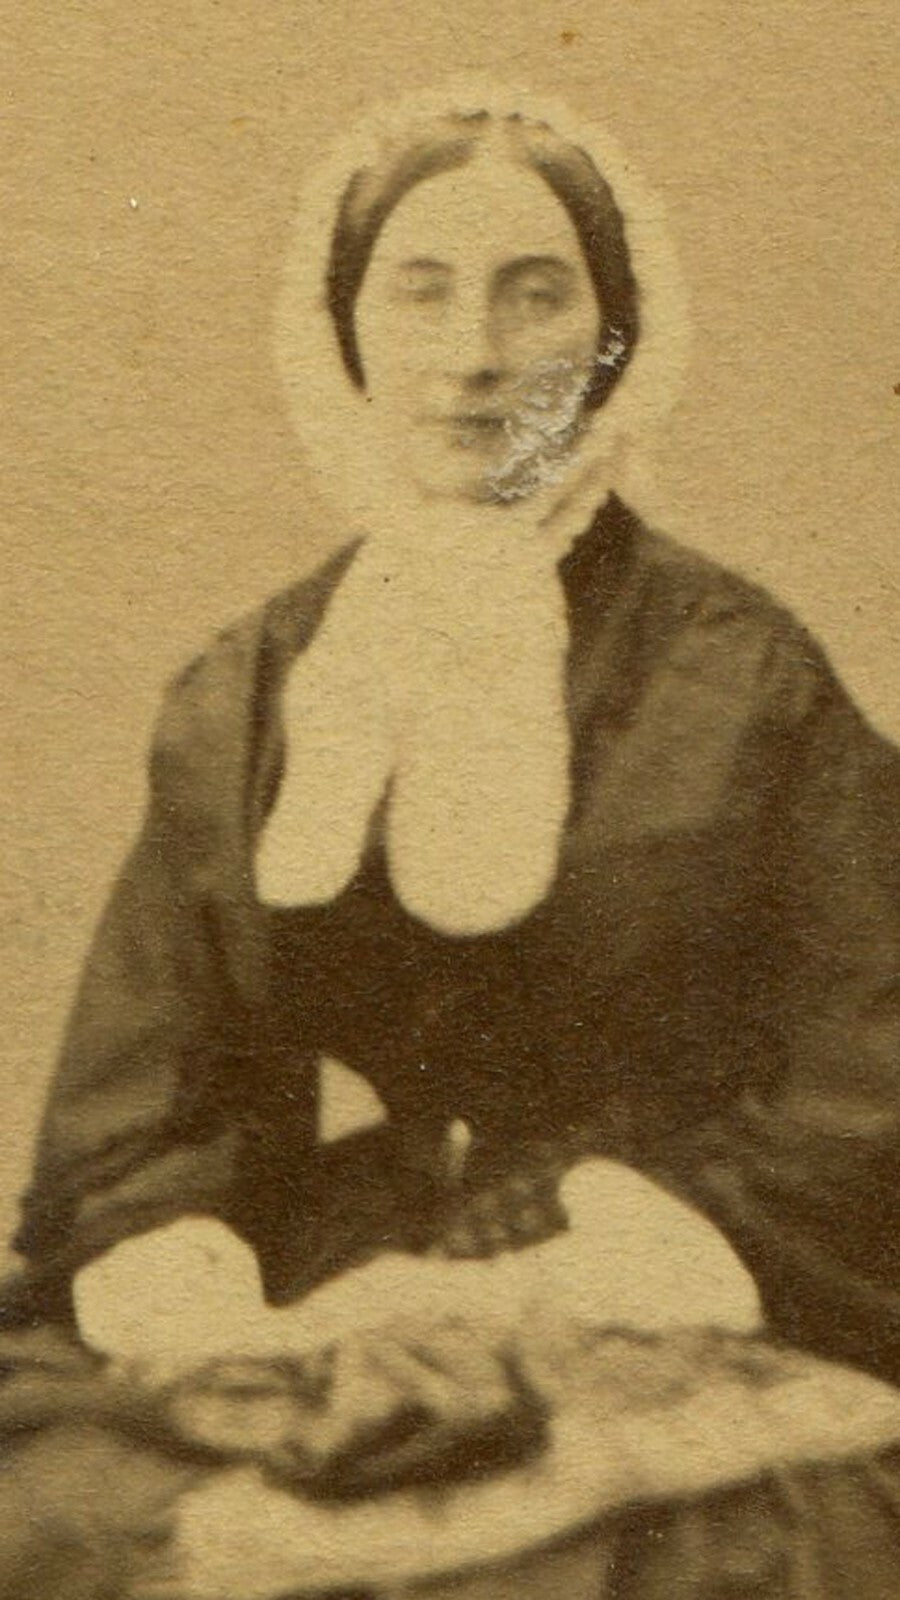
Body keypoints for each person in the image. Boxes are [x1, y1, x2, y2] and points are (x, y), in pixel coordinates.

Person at [5, 84, 900, 1596]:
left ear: (614, 339)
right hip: (338, 1285)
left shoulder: (742, 676)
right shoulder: (255, 689)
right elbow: (132, 1126)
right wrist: (228, 1316)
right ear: (347, 331)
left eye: (534, 294)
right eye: (419, 293)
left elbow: (864, 1095)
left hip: (695, 1282)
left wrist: (583, 1272)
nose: (475, 356)